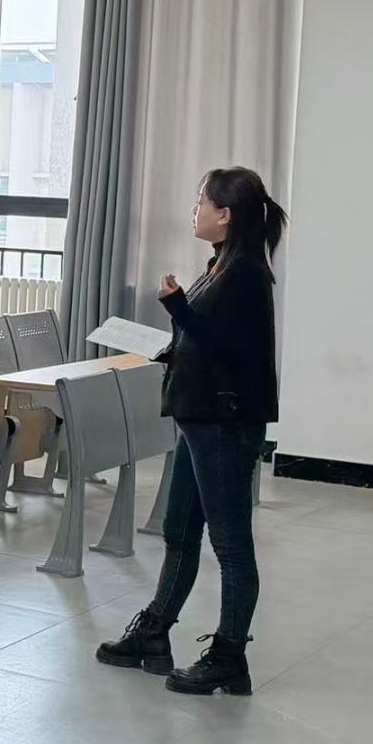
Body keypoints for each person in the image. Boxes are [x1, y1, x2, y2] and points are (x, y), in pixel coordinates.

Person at [97, 166, 286, 697]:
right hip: (199, 418)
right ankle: (154, 633)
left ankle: (230, 657)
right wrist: (178, 322)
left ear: (224, 215)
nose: (194, 210)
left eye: (201, 202)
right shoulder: (222, 262)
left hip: (224, 423)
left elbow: (228, 347)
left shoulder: (246, 271)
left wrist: (177, 306)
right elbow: (211, 338)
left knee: (231, 544)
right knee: (179, 531)